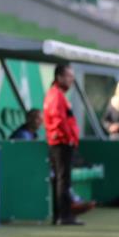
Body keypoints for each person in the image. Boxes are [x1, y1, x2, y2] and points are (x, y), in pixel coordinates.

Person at [43, 62, 84, 225]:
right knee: (63, 179)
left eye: (72, 76)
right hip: (61, 143)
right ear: (59, 77)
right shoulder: (56, 95)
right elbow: (59, 121)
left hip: (60, 142)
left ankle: (61, 215)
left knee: (61, 179)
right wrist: (70, 138)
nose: (71, 80)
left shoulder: (56, 94)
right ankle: (63, 215)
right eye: (68, 76)